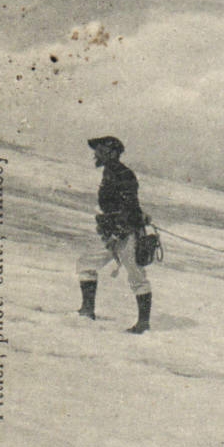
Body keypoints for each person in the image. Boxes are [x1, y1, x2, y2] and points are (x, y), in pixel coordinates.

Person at [76, 135, 153, 333]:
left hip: (126, 234)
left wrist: (117, 234)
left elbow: (130, 209)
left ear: (111, 153)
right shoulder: (110, 172)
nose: (95, 154)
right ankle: (87, 310)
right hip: (110, 233)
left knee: (137, 276)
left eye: (100, 150)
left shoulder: (124, 174)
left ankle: (143, 324)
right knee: (86, 264)